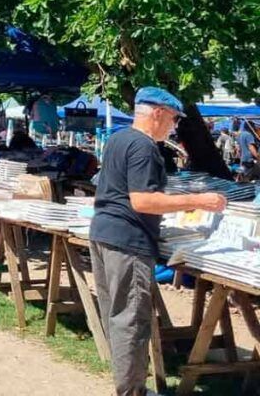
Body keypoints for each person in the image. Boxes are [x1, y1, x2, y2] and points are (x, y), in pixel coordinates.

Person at [90, 87, 226, 396]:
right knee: (130, 321)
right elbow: (141, 201)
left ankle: (126, 385)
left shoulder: (118, 139)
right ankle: (131, 391)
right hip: (128, 240)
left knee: (117, 315)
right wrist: (198, 200)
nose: (174, 127)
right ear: (158, 113)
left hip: (104, 234)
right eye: (174, 119)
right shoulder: (144, 147)